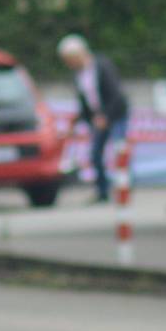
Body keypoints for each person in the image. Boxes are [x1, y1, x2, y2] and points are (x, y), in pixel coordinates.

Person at [59, 34, 131, 204]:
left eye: (69, 59)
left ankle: (126, 188)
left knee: (120, 151)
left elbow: (116, 95)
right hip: (98, 117)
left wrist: (106, 117)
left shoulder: (102, 66)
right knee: (96, 153)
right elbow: (85, 102)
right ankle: (103, 191)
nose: (69, 64)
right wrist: (76, 122)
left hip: (115, 114)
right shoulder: (78, 75)